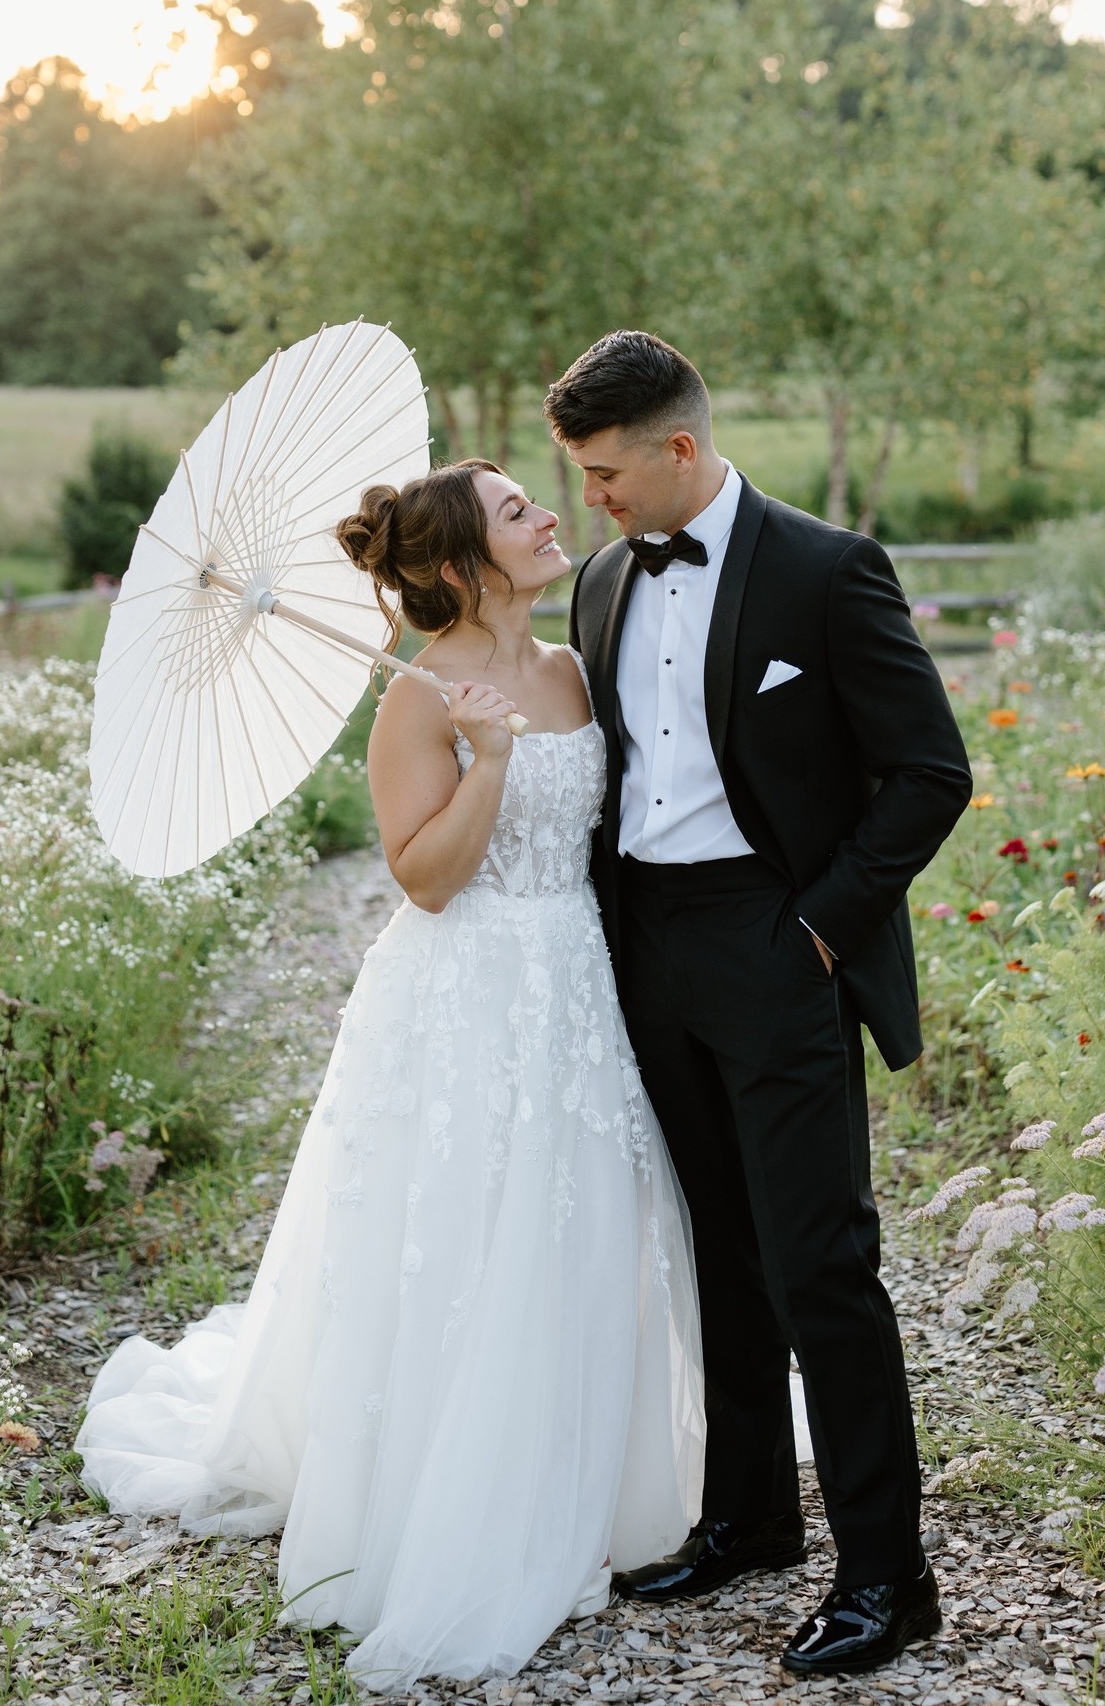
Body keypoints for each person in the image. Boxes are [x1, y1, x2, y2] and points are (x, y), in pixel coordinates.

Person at [76, 458, 704, 1693]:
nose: (543, 513)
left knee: (578, 1218)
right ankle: (446, 1492)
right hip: (464, 988)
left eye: (535, 496)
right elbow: (426, 878)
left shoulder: (573, 667)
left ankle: (579, 1467)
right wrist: (484, 763)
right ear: (466, 562)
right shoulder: (418, 701)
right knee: (465, 1230)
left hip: (572, 982)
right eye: (516, 507)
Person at [548, 331, 973, 1677]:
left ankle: (889, 1575)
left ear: (680, 447)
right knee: (713, 1248)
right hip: (649, 948)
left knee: (819, 1263)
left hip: (775, 942)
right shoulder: (602, 582)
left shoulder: (826, 569)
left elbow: (928, 772)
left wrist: (817, 932)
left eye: (608, 473)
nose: (593, 502)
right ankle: (746, 1517)